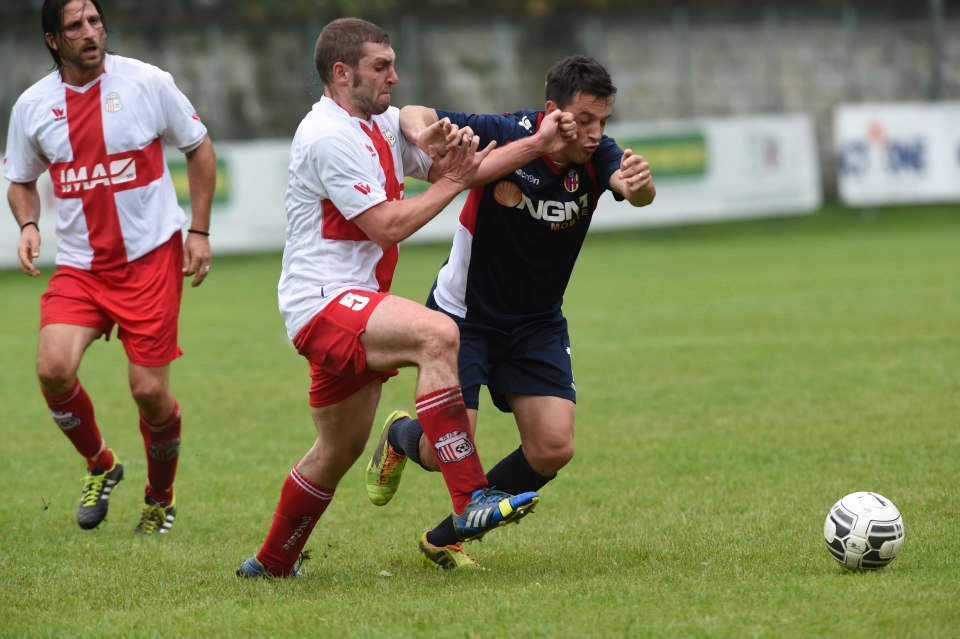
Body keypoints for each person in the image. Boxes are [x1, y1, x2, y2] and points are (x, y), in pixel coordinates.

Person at [234, 18, 575, 579]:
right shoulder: (326, 136)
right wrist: (452, 181)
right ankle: (471, 502)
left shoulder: (381, 123)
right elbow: (388, 225)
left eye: (393, 62)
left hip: (356, 303)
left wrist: (535, 143)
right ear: (342, 74)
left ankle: (271, 563)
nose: (395, 75)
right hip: (321, 302)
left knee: (337, 450)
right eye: (381, 66)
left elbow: (456, 159)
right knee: (437, 333)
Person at [365, 55, 656, 568]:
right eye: (584, 120)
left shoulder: (598, 156)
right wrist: (428, 133)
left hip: (537, 323)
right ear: (553, 111)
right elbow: (412, 110)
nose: (594, 133)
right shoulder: (508, 133)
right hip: (464, 318)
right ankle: (399, 434)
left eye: (603, 122)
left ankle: (445, 537)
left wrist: (637, 186)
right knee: (441, 454)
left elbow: (631, 190)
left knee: (552, 447)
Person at [4, 0, 216, 535]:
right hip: (81, 267)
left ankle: (159, 498)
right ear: (54, 40)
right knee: (52, 369)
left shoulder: (146, 82)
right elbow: (21, 180)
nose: (89, 33)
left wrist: (199, 231)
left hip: (150, 260)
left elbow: (198, 146)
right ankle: (101, 463)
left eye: (94, 21)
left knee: (149, 392)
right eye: (74, 26)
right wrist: (28, 225)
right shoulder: (33, 105)